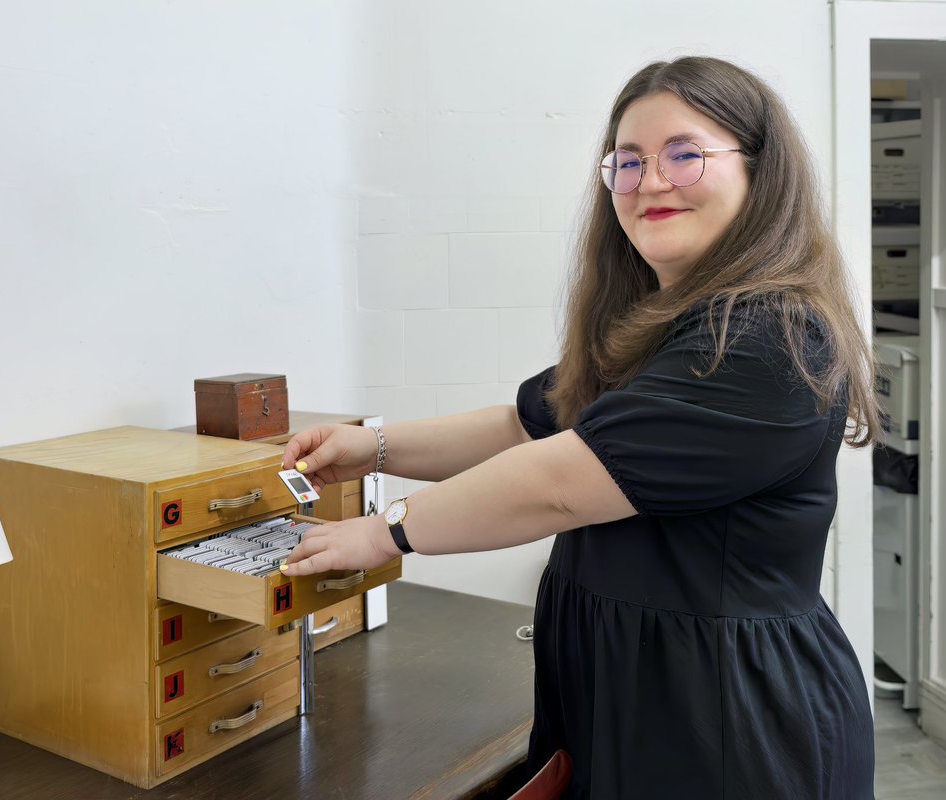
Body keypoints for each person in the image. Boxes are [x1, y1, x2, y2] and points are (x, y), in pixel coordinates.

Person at [280, 56, 879, 799]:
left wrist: (381, 532)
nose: (651, 182)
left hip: (728, 719)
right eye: (628, 163)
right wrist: (371, 446)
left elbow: (564, 484)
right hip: (634, 695)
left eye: (684, 155)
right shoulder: (658, 327)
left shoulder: (768, 341)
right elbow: (530, 426)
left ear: (762, 174)